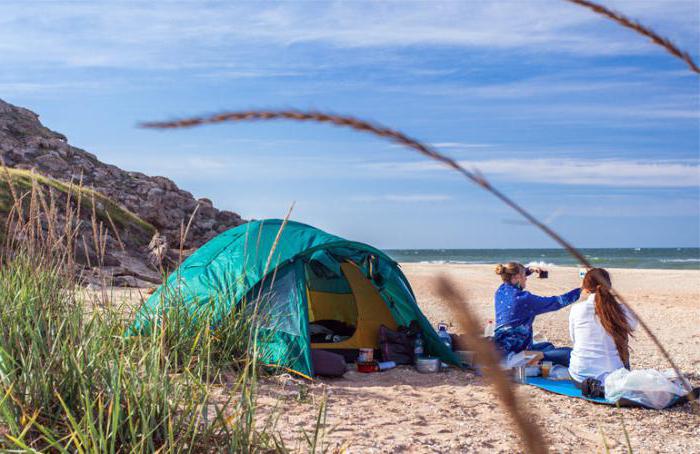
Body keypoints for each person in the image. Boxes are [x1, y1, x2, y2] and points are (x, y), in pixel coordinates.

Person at [493, 262, 581, 367]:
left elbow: (513, 275)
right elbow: (557, 302)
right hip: (513, 355)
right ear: (517, 277)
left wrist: (530, 270)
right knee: (568, 354)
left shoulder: (501, 290)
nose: (526, 278)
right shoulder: (523, 299)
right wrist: (581, 290)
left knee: (547, 345)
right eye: (524, 275)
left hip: (500, 347)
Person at [569, 268, 637, 384]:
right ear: (609, 286)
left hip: (580, 377)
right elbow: (632, 327)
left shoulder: (577, 309)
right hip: (614, 379)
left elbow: (574, 339)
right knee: (622, 343)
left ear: (586, 288)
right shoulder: (624, 310)